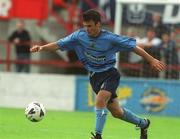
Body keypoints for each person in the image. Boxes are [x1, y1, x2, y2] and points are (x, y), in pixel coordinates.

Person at [30, 9, 166, 139]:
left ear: (98, 24)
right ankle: (143, 124)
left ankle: (97, 135)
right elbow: (59, 44)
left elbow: (134, 47)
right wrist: (42, 47)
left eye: (90, 26)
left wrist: (151, 60)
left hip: (110, 74)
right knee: (117, 112)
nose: (87, 29)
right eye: (85, 26)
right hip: (94, 77)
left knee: (100, 100)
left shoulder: (110, 38)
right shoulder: (79, 36)